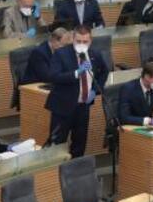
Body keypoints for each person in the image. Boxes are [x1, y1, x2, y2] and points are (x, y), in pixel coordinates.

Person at [45, 25, 109, 158]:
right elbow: (53, 76)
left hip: (83, 107)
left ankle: (75, 168)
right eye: (78, 41)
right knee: (57, 144)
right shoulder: (61, 54)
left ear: (90, 41)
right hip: (63, 106)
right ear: (73, 39)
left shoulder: (94, 54)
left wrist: (95, 91)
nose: (81, 44)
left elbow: (104, 72)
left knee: (80, 143)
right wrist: (76, 73)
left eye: (85, 42)